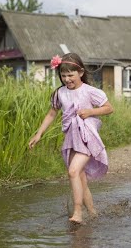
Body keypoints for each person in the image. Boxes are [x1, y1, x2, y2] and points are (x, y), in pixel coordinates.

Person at [29, 53, 114, 224]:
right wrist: (39, 133)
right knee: (80, 178)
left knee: (73, 171)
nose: (67, 79)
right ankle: (93, 214)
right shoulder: (60, 93)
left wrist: (90, 112)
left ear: (80, 72)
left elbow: (108, 108)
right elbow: (52, 113)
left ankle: (78, 212)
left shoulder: (89, 91)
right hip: (72, 138)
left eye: (70, 75)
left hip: (88, 137)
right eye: (63, 75)